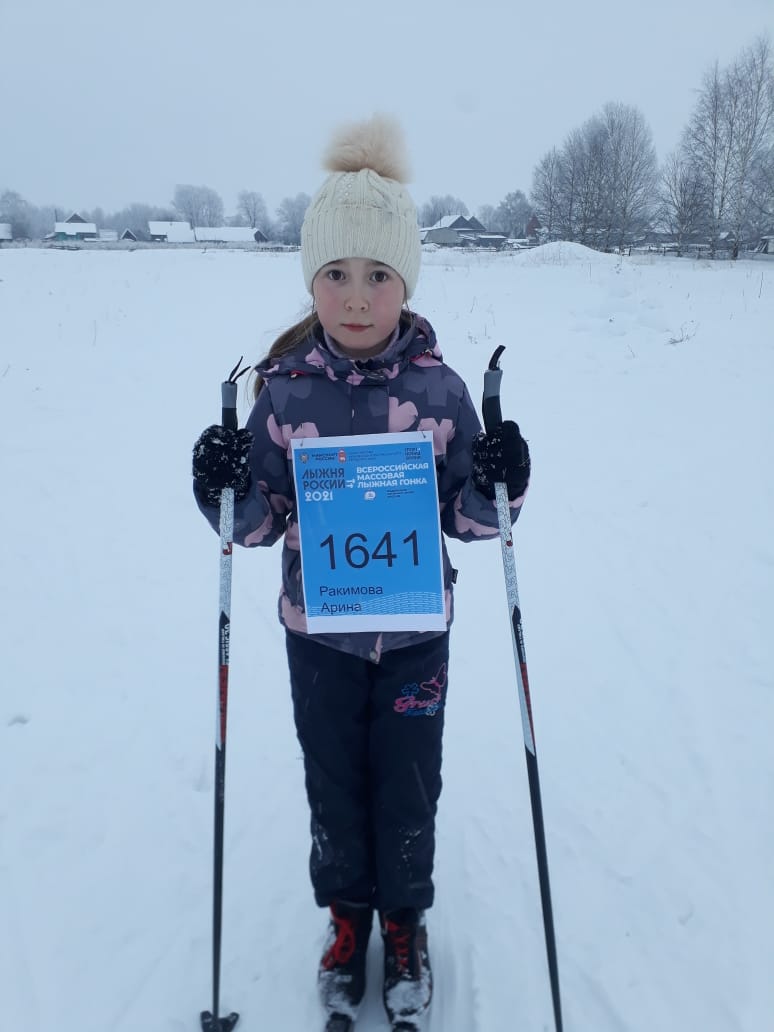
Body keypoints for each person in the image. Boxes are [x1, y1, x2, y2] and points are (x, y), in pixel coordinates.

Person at [192, 114, 530, 1030]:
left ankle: (404, 924)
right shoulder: (284, 391)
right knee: (334, 785)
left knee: (409, 787)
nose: (355, 296)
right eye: (335, 273)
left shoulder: (441, 391)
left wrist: (502, 478)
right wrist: (222, 485)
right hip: (321, 639)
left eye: (377, 274)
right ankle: (347, 919)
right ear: (311, 279)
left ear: (406, 280)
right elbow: (258, 522)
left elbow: (470, 518)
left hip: (416, 637)